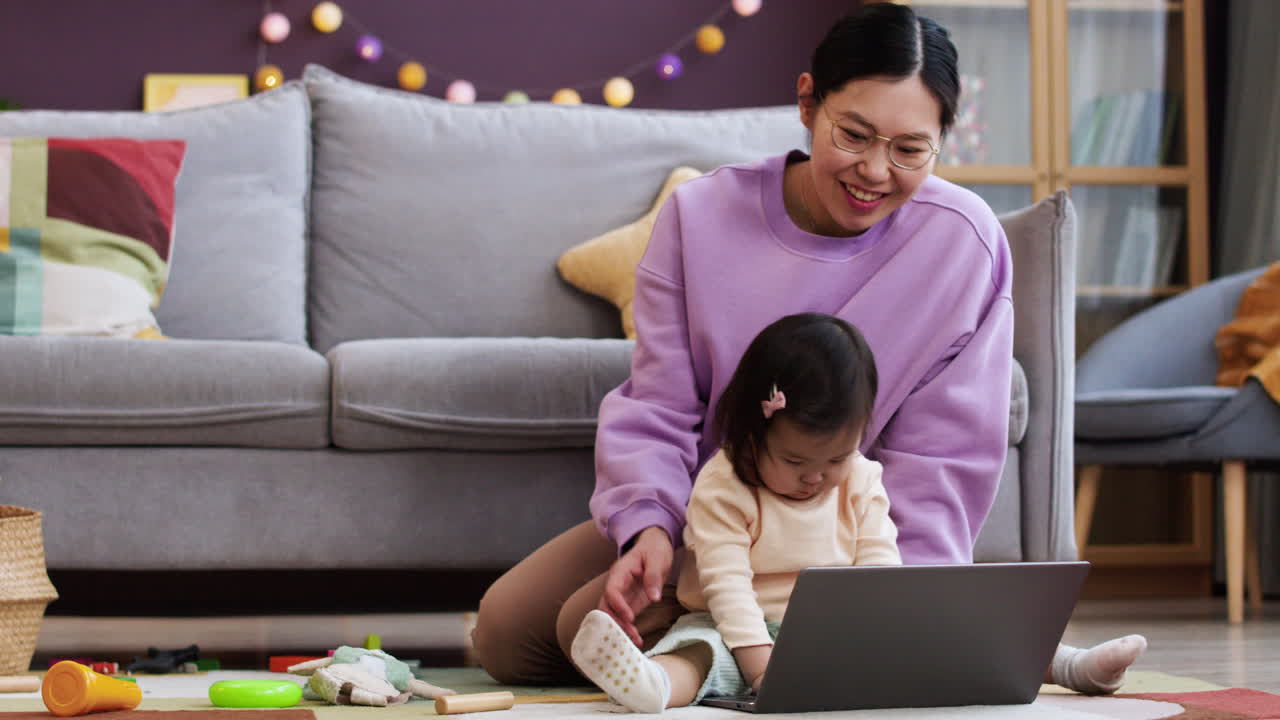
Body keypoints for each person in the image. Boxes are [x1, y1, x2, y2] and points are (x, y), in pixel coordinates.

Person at [472, 2, 1145, 696]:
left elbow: (944, 462)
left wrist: (887, 607)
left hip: (843, 531)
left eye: (910, 149)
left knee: (575, 626)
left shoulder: (962, 242)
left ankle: (911, 640)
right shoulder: (699, 218)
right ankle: (738, 631)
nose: (876, 171)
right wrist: (648, 527)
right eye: (854, 134)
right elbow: (659, 405)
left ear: (944, 140)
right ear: (806, 103)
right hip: (721, 506)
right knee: (504, 634)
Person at [572, 313, 898, 712]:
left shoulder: (861, 481)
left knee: (890, 650)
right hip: (734, 625)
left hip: (826, 632)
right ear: (753, 434)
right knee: (700, 654)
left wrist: (871, 634)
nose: (814, 477)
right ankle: (651, 682)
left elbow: (878, 567)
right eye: (794, 460)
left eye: (836, 459)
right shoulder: (725, 486)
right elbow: (727, 586)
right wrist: (762, 668)